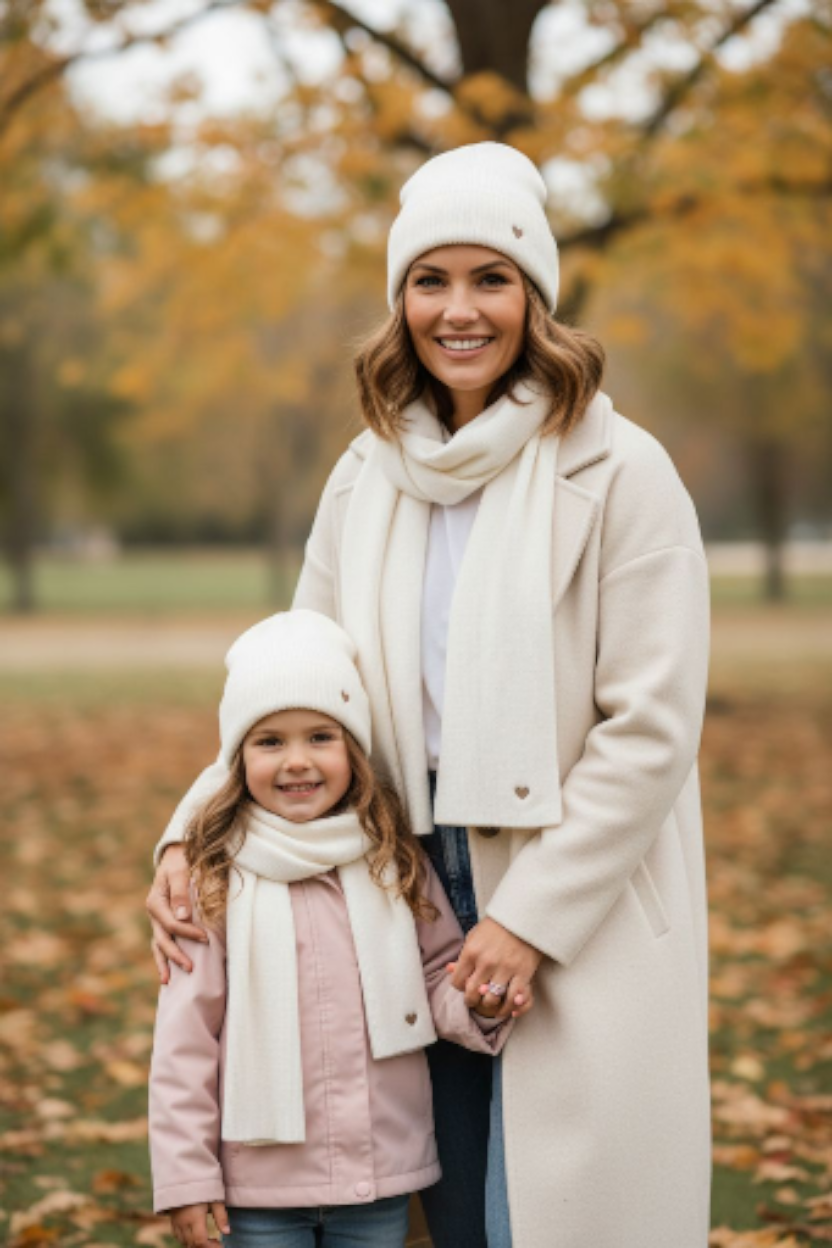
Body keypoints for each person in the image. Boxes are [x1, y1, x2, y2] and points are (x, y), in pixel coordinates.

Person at [148, 142, 712, 1248]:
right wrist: (184, 835)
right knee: (449, 1210)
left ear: (534, 297)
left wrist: (527, 919)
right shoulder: (365, 474)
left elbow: (649, 729)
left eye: (489, 278)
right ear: (399, 300)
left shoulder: (622, 469)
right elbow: (290, 681)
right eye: (429, 280)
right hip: (394, 875)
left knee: (558, 1214)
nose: (459, 310)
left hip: (570, 880)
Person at [149, 609, 515, 1248]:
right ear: (238, 759)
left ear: (355, 749)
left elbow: (437, 974)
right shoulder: (214, 882)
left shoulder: (391, 861)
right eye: (270, 742)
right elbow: (185, 1043)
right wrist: (187, 1177)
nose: (297, 761)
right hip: (257, 1192)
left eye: (321, 736)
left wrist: (475, 1003)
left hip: (377, 1181)